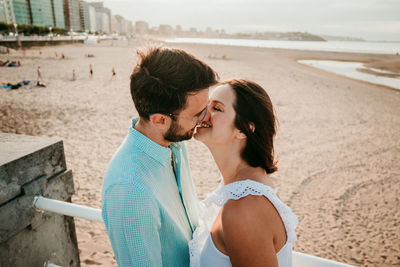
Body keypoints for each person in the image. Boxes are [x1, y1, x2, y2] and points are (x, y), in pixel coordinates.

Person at [102, 47, 219, 266]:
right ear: (160, 120)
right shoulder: (130, 191)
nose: (206, 118)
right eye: (197, 114)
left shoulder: (174, 144)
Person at [189, 79, 298, 267]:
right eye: (207, 105)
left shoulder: (243, 208)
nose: (203, 113)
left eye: (217, 108)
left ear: (243, 130)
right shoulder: (241, 185)